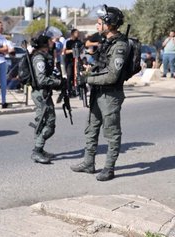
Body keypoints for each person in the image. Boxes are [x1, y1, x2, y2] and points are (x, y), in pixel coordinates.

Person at [70, 6, 129, 181]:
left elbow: (112, 76)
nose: (97, 26)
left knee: (111, 133)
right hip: (98, 92)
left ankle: (109, 168)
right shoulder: (106, 42)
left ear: (109, 24)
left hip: (110, 95)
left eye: (99, 22)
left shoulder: (120, 46)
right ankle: (89, 163)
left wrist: (88, 80)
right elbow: (102, 67)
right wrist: (89, 71)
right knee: (91, 129)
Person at [29, 35, 62, 164]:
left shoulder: (43, 57)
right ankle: (37, 151)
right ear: (44, 44)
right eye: (49, 42)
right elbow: (41, 80)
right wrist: (57, 82)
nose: (51, 43)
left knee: (42, 122)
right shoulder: (39, 59)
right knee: (50, 124)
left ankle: (40, 149)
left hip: (43, 94)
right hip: (40, 94)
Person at [62, 29, 83, 97]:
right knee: (70, 75)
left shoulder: (79, 42)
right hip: (69, 61)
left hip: (77, 61)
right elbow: (65, 51)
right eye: (76, 33)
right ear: (72, 34)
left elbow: (82, 50)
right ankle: (69, 90)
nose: (78, 34)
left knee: (78, 75)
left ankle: (78, 89)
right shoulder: (68, 42)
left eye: (78, 33)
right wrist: (72, 51)